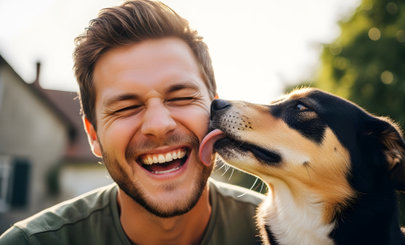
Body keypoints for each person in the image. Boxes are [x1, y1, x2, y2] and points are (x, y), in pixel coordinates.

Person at [0, 0, 264, 244]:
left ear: (215, 111)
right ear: (93, 135)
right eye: (126, 107)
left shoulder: (288, 236)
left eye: (182, 97)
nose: (159, 125)